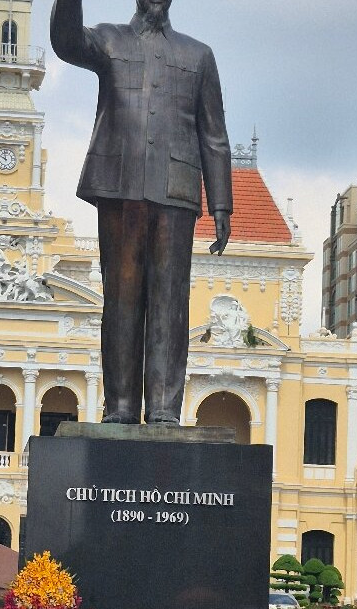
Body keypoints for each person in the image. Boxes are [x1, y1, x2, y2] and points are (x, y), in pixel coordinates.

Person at [51, 0, 233, 424]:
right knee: (121, 296)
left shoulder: (198, 55)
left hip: (176, 190)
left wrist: (221, 203)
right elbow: (66, 42)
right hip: (120, 185)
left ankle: (165, 409)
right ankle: (120, 406)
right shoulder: (109, 40)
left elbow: (214, 134)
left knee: (171, 301)